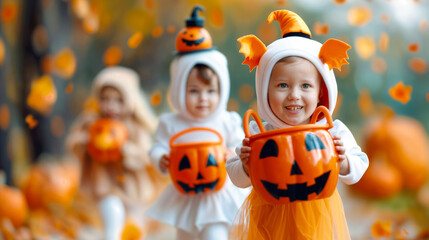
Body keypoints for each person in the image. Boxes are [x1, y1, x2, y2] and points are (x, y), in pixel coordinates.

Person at [226, 10, 369, 240]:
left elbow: (360, 167)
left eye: (305, 86)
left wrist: (343, 162)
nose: (294, 95)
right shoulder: (260, 132)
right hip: (268, 217)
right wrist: (244, 165)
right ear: (265, 90)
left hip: (316, 216)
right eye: (282, 85)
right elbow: (236, 178)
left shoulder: (329, 130)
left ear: (321, 90)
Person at [146, 6, 249, 240]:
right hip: (186, 192)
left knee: (215, 234)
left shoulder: (226, 121)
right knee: (185, 234)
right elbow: (158, 145)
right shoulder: (171, 123)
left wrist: (230, 152)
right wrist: (159, 157)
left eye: (210, 91)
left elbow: (240, 145)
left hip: (219, 194)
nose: (203, 98)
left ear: (221, 91)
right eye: (194, 91)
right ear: (179, 90)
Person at [66, 66, 159, 240]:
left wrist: (127, 150)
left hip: (132, 187)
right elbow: (72, 144)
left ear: (130, 100)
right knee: (112, 212)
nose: (111, 106)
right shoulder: (91, 122)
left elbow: (146, 155)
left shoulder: (134, 126)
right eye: (105, 99)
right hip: (105, 185)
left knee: (134, 226)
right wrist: (87, 140)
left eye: (118, 100)